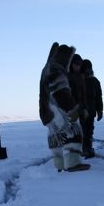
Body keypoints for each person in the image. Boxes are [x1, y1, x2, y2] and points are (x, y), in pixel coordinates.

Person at [39, 42, 90, 172]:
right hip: (59, 111)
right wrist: (72, 109)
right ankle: (72, 163)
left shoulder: (46, 69)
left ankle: (59, 164)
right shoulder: (56, 69)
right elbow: (60, 91)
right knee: (73, 131)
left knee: (56, 136)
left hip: (48, 112)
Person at [80, 59, 103, 158]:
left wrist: (100, 110)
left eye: (89, 68)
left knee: (89, 132)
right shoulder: (78, 80)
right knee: (82, 131)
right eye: (86, 68)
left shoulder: (95, 81)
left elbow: (98, 97)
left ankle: (88, 149)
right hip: (80, 112)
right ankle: (83, 149)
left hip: (91, 112)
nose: (88, 70)